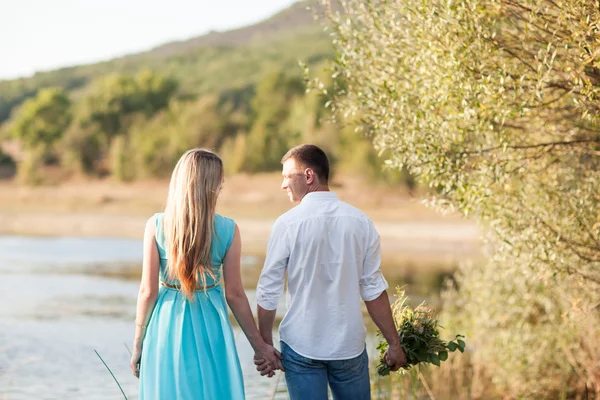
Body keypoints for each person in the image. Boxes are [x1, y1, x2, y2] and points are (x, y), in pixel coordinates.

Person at [254, 144, 406, 399]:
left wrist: (265, 346)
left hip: (301, 347)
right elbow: (373, 289)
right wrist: (394, 343)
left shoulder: (287, 224)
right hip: (349, 348)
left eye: (286, 176)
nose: (282, 185)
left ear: (309, 176)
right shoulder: (361, 222)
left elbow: (268, 292)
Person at [130, 148, 283, 399]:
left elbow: (148, 292)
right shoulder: (229, 229)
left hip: (167, 322)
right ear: (213, 186)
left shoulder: (156, 225)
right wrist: (260, 347)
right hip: (211, 322)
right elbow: (235, 295)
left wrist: (138, 342)